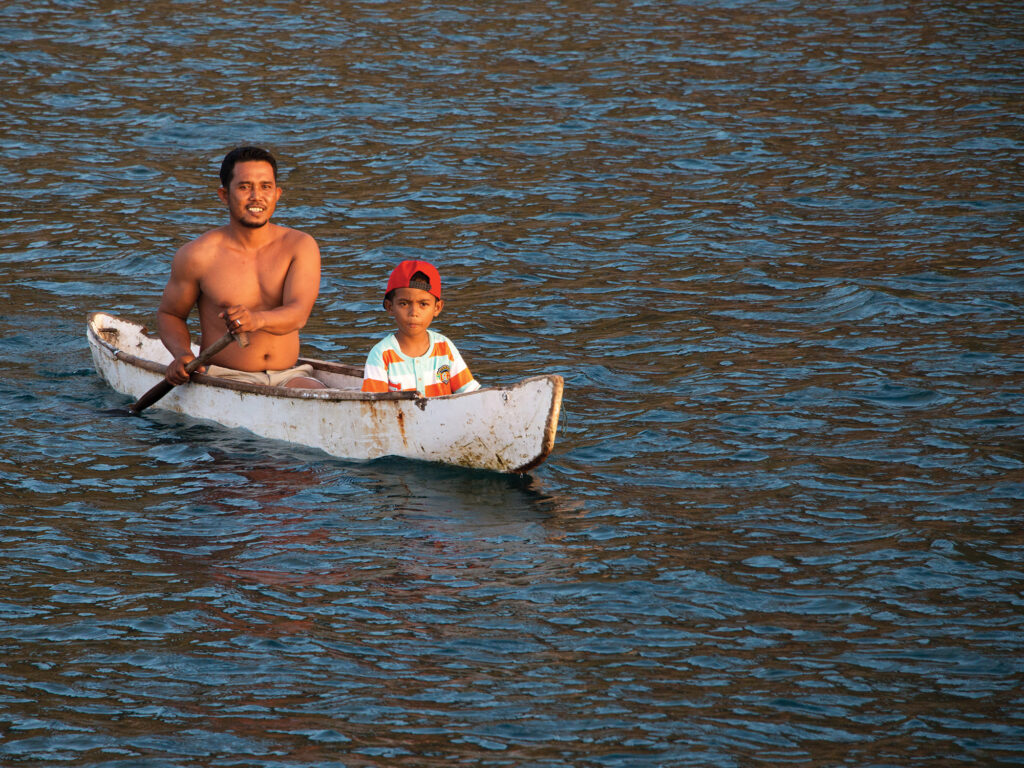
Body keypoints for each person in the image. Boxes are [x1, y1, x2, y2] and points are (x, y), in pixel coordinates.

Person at [157, 146, 325, 389]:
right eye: (245, 187)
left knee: (318, 396)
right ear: (224, 195)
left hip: (289, 374)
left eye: (265, 186)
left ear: (277, 193)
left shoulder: (300, 246)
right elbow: (170, 314)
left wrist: (255, 320)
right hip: (223, 378)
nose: (256, 196)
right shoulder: (198, 254)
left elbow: (298, 314)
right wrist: (182, 354)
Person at [361, 259, 480, 397]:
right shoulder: (381, 355)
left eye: (423, 304)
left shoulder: (444, 348)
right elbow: (374, 408)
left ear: (437, 308)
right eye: (404, 304)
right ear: (390, 307)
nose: (414, 313)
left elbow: (471, 395)